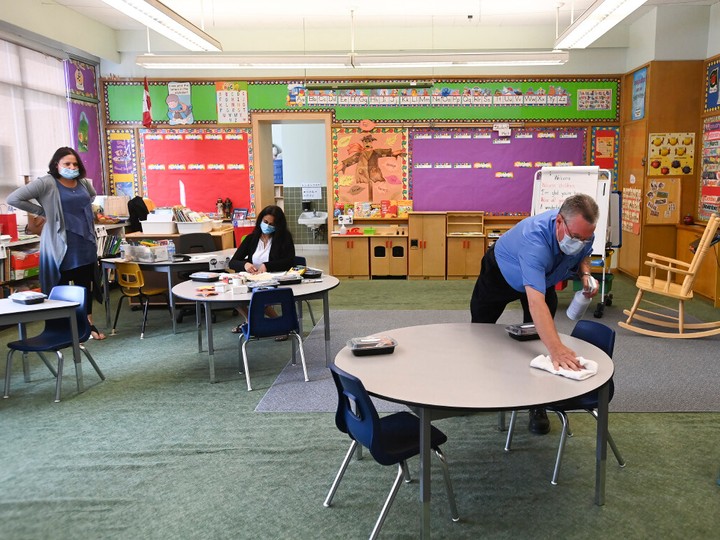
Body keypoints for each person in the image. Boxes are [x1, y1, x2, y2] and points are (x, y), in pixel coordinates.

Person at [470, 193, 600, 435]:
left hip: (545, 276)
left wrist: (584, 274)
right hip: (500, 275)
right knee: (480, 330)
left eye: (586, 238)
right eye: (575, 237)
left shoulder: (581, 233)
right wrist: (558, 349)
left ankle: (537, 405)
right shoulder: (535, 241)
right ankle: (473, 388)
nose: (581, 242)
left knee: (537, 339)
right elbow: (535, 301)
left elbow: (585, 254)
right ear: (559, 222)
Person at [7, 147, 106, 340]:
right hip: (59, 244)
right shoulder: (46, 183)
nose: (72, 167)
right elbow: (14, 198)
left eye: (75, 164)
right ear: (56, 165)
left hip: (84, 242)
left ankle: (87, 325)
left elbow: (91, 196)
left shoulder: (83, 183)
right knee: (57, 286)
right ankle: (62, 328)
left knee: (84, 285)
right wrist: (44, 211)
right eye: (67, 164)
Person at [228, 205, 295, 335]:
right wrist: (245, 265)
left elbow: (289, 262)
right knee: (234, 294)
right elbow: (233, 262)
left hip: (274, 280)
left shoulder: (284, 238)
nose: (267, 226)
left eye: (271, 224)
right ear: (260, 220)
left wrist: (268, 266)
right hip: (253, 279)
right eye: (265, 222)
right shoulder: (251, 239)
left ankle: (280, 325)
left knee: (258, 295)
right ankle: (250, 321)